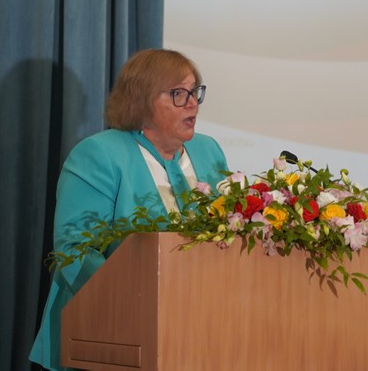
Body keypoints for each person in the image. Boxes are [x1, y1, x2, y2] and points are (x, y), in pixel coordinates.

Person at [29, 49, 229, 370]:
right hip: (106, 337)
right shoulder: (99, 154)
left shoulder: (209, 151)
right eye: (178, 93)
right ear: (141, 101)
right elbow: (74, 251)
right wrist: (142, 305)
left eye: (194, 92)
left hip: (196, 335)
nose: (192, 103)